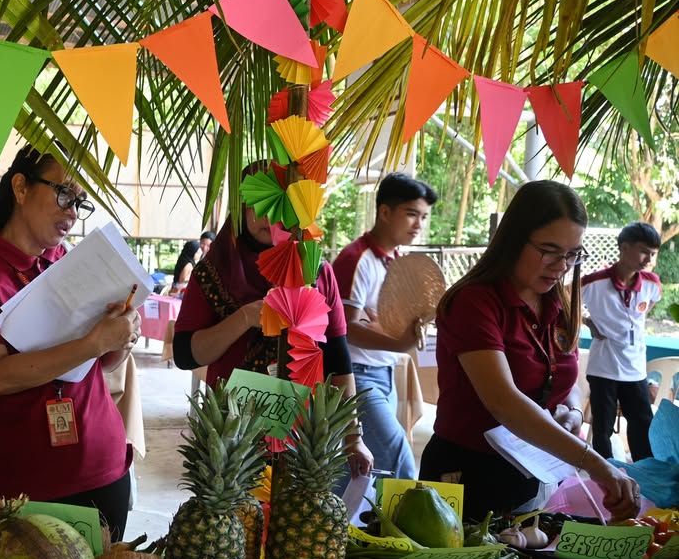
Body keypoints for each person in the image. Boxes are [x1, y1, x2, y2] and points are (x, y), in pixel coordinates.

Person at [0, 144, 140, 539]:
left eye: (80, 202)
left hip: (104, 464)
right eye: (64, 193)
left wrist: (121, 336)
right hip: (23, 482)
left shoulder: (70, 262)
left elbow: (97, 367)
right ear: (20, 187)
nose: (71, 212)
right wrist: (93, 343)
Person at [421, 180, 640, 520]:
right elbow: (504, 402)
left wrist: (574, 412)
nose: (562, 265)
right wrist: (593, 461)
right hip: (466, 475)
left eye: (571, 254)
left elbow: (567, 383)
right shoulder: (474, 302)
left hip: (536, 474)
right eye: (549, 250)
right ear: (513, 239)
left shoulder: (557, 302)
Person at [172, 163, 373, 479]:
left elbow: (338, 357)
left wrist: (354, 435)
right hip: (232, 442)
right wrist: (245, 317)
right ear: (241, 206)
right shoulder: (214, 270)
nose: (270, 216)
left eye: (281, 204)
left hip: (304, 441)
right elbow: (185, 354)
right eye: (259, 203)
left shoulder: (316, 272)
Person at [332, 173, 438, 480]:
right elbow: (345, 329)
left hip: (384, 373)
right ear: (385, 212)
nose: (418, 224)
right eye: (411, 214)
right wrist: (398, 343)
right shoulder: (356, 259)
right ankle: (415, 525)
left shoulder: (395, 260)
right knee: (397, 456)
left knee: (359, 467)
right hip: (356, 377)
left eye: (423, 217)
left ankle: (336, 523)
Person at [583, 222, 661, 462]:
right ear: (624, 248)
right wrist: (588, 322)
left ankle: (644, 478)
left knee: (642, 425)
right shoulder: (593, 282)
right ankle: (605, 480)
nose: (648, 258)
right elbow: (562, 299)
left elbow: (648, 307)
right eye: (643, 250)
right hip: (603, 367)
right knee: (603, 428)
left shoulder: (651, 284)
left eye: (653, 253)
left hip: (635, 368)